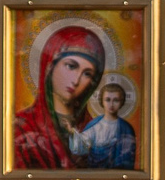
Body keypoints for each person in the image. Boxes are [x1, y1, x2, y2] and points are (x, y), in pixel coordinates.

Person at [11, 23, 108, 171]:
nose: (76, 81)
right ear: (50, 65)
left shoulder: (97, 130)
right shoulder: (21, 127)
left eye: (87, 74)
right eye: (71, 66)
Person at [73, 75, 138, 170]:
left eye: (115, 100)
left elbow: (127, 157)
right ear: (102, 101)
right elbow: (80, 147)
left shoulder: (126, 128)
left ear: (121, 102)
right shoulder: (94, 125)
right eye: (108, 100)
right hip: (94, 174)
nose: (111, 104)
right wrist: (71, 132)